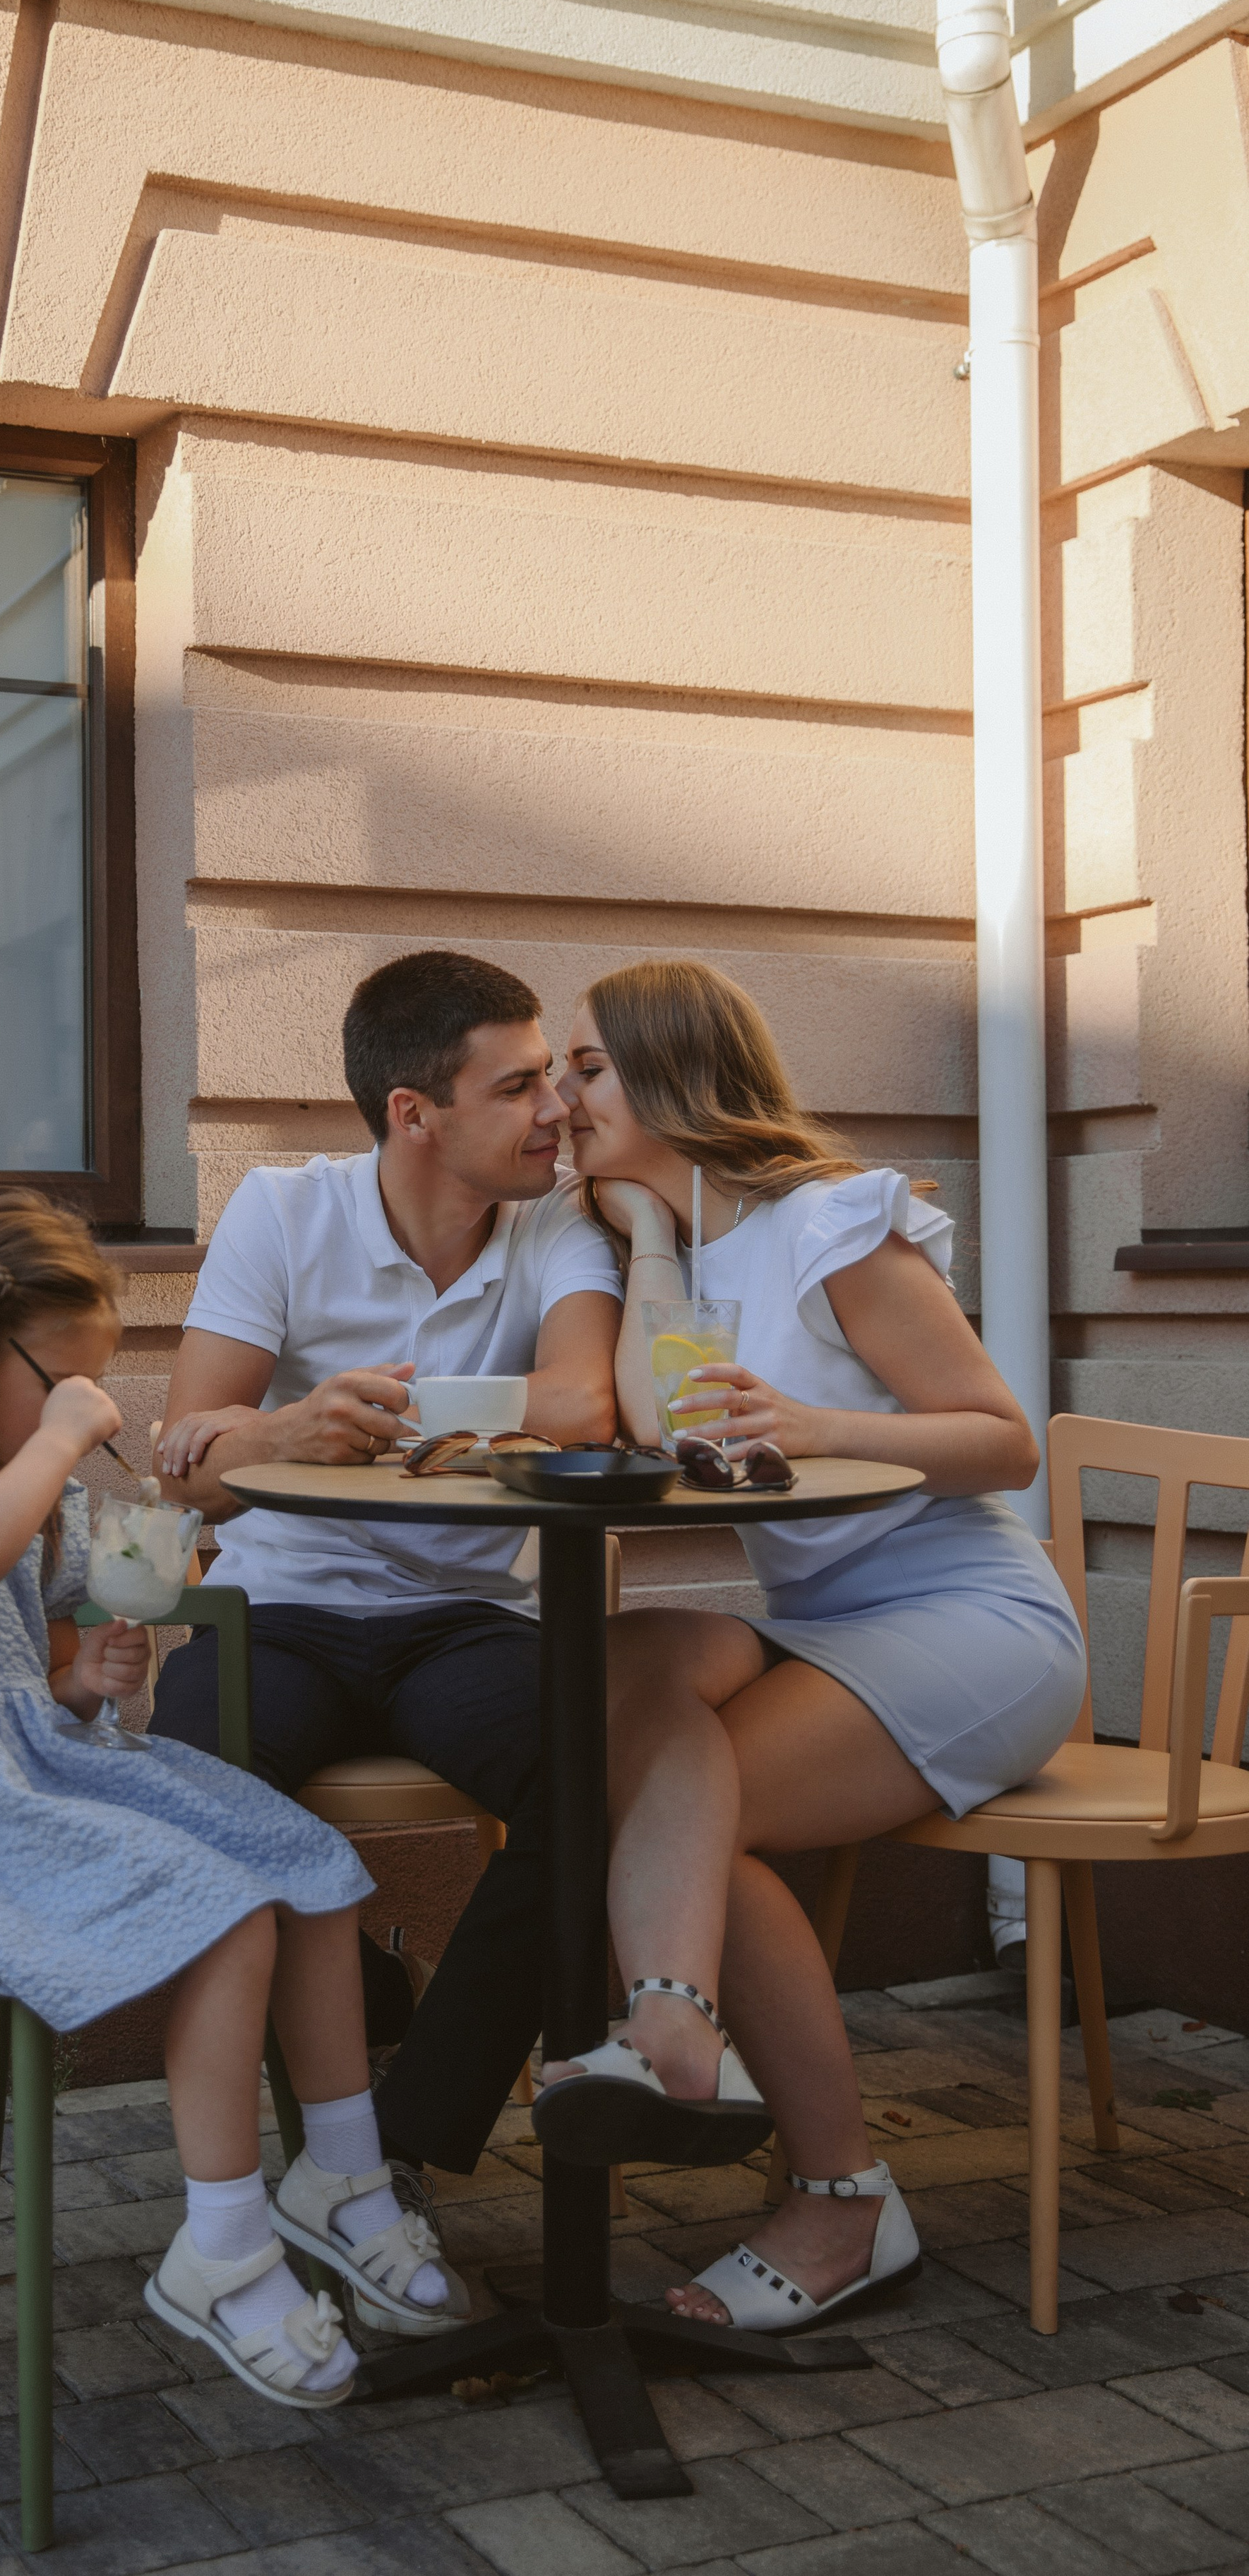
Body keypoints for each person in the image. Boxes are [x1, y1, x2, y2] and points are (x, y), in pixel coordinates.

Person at [0, 1188, 467, 2409]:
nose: (85, 1405)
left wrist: (89, 1672)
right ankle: (220, 2244)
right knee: (224, 1906)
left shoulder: (26, 1474)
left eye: (93, 1387)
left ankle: (341, 2173)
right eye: (64, 1378)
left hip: (29, 1767)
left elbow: (31, 1662)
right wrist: (66, 1439)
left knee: (309, 1859)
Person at [531, 959, 1086, 2333]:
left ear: (670, 1073)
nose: (559, 1093)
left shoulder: (834, 1224)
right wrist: (647, 1235)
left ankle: (837, 2197)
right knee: (632, 1664)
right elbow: (669, 1435)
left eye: (587, 1066)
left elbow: (1000, 1438)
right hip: (822, 1616)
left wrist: (822, 1426)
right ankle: (674, 2025)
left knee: (685, 1820)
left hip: (969, 1617)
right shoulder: (687, 1245)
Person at [149, 951, 623, 2176]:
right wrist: (284, 1433)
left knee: (600, 1778)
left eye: (554, 1082)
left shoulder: (559, 1221)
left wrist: (386, 1430)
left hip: (459, 1615)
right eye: (520, 1087)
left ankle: (409, 2130)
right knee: (196, 1789)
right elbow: (185, 1459)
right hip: (280, 1608)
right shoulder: (283, 1208)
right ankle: (360, 1984)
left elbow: (582, 1406)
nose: (558, 1110)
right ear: (415, 1113)